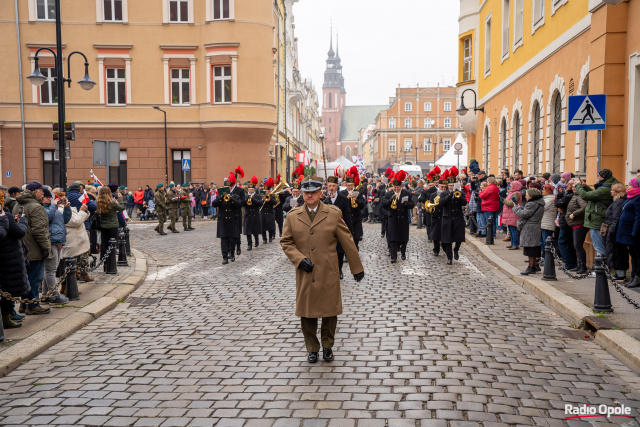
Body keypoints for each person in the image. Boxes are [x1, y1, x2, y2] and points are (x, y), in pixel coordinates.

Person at [280, 175, 364, 363]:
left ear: (320, 193)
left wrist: (356, 268)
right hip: (305, 271)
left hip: (328, 269)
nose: (310, 196)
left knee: (329, 311)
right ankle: (312, 348)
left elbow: (347, 240)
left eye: (314, 192)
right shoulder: (293, 216)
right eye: (306, 192)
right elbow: (286, 241)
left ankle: (327, 347)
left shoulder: (333, 213)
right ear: (302, 193)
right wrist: (298, 259)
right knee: (306, 312)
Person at [13, 181, 51, 315]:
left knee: (26, 278)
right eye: (41, 191)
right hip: (34, 248)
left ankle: (25, 303)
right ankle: (33, 305)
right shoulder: (36, 207)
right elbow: (39, 230)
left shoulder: (19, 203)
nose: (43, 194)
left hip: (21, 247)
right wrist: (46, 247)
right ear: (35, 192)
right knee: (35, 278)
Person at [574, 168, 619, 257]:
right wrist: (585, 187)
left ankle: (601, 268)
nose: (597, 178)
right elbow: (595, 194)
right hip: (598, 220)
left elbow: (585, 195)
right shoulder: (607, 186)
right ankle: (601, 267)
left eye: (598, 176)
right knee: (600, 246)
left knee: (599, 247)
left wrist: (578, 186)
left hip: (597, 221)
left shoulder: (604, 189)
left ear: (602, 177)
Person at [0, 193, 29, 328]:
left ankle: (7, 316)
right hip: (8, 258)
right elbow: (19, 232)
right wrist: (23, 221)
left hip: (6, 257)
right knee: (7, 291)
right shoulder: (5, 216)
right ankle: (6, 318)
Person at [42, 188, 72, 304]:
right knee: (50, 270)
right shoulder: (43, 208)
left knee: (50, 270)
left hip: (58, 239)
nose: (49, 199)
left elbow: (65, 220)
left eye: (50, 197)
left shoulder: (53, 208)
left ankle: (45, 295)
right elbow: (47, 218)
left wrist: (67, 208)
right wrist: (54, 206)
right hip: (51, 240)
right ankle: (54, 296)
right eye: (47, 197)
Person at [323, 175, 353, 278]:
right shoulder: (324, 199)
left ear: (337, 187)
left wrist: (350, 231)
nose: (331, 188)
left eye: (333, 186)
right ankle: (330, 270)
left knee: (339, 251)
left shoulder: (343, 199)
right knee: (328, 251)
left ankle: (339, 269)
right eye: (329, 186)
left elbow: (347, 215)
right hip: (327, 230)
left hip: (339, 229)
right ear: (327, 186)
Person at [382, 170, 415, 263]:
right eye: (395, 186)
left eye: (398, 187)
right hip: (392, 219)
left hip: (403, 219)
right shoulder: (389, 194)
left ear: (401, 186)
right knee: (392, 238)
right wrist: (388, 213)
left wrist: (407, 204)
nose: (396, 188)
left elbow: (412, 204)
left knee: (404, 238)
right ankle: (393, 256)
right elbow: (382, 206)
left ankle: (403, 252)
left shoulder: (406, 193)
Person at [67, 182, 97, 281]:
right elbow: (93, 207)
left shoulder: (66, 197)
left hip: (69, 226)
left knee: (73, 250)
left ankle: (74, 271)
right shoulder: (81, 197)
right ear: (80, 189)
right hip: (82, 225)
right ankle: (84, 273)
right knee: (84, 250)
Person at [513, 187, 546, 275]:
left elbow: (524, 214)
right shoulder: (539, 203)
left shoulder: (532, 204)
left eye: (527, 195)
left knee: (530, 247)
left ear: (531, 196)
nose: (525, 197)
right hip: (535, 226)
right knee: (534, 246)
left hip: (530, 228)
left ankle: (531, 267)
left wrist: (516, 208)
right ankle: (535, 265)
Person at [211, 174, 243, 264]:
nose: (226, 189)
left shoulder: (235, 196)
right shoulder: (220, 196)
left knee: (232, 239)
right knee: (224, 240)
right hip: (223, 221)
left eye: (228, 187)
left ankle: (232, 254)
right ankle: (224, 257)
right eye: (225, 187)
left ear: (231, 187)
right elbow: (214, 204)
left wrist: (231, 198)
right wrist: (221, 198)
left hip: (232, 220)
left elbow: (239, 205)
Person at [616, 178, 640, 288]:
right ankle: (634, 276)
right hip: (626, 231)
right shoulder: (630, 197)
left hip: (633, 233)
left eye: (630, 184)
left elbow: (638, 216)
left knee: (637, 255)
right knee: (633, 255)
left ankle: (637, 277)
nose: (628, 186)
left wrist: (635, 232)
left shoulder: (638, 198)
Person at [439, 168, 467, 265]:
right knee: (447, 240)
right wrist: (451, 195)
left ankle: (456, 249)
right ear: (447, 185)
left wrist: (457, 196)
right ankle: (449, 258)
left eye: (453, 185)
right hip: (447, 218)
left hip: (457, 218)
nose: (451, 187)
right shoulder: (444, 193)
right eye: (450, 185)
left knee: (459, 237)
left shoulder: (460, 193)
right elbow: (442, 203)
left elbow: (464, 202)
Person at [603, 183, 628, 281]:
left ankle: (620, 274)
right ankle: (618, 273)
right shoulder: (617, 201)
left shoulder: (618, 202)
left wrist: (611, 231)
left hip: (615, 232)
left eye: (612, 190)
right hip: (615, 231)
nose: (610, 192)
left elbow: (616, 218)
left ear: (617, 192)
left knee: (617, 252)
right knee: (616, 252)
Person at [96, 186, 125, 268]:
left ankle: (104, 263)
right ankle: (111, 264)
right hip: (112, 226)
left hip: (103, 226)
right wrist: (120, 199)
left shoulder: (99, 202)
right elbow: (121, 208)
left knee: (104, 245)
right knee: (112, 245)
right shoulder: (112, 202)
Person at [565, 180, 589, 275]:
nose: (574, 189)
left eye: (576, 187)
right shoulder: (575, 196)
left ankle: (583, 266)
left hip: (580, 224)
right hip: (575, 224)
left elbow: (585, 207)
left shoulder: (580, 197)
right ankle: (580, 265)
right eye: (573, 187)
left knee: (578, 246)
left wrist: (574, 214)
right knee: (576, 246)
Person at [555, 180, 578, 270]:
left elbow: (557, 203)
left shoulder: (569, 196)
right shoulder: (568, 194)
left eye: (569, 184)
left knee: (563, 242)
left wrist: (559, 197)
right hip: (565, 220)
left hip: (566, 221)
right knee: (566, 242)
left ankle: (569, 263)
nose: (567, 185)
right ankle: (569, 262)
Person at [340, 171, 366, 250]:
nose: (350, 187)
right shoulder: (342, 193)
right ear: (346, 185)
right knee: (346, 237)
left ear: (354, 185)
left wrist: (356, 200)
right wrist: (346, 198)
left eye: (351, 185)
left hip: (356, 218)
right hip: (346, 219)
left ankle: (355, 249)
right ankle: (347, 254)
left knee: (356, 237)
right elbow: (340, 206)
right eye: (348, 185)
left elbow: (362, 206)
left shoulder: (359, 193)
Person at [427, 173, 446, 256]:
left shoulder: (447, 194)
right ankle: (436, 249)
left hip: (444, 216)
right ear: (439, 186)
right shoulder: (433, 195)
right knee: (435, 234)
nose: (443, 189)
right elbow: (430, 204)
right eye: (442, 187)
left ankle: (445, 247)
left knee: (444, 234)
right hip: (435, 216)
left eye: (445, 187)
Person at [243, 176, 263, 250]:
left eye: (252, 189)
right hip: (248, 215)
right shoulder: (245, 196)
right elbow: (242, 204)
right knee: (248, 231)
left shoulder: (257, 196)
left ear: (254, 189)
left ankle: (256, 240)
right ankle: (249, 244)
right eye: (249, 189)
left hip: (255, 215)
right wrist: (246, 199)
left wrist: (253, 199)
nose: (250, 190)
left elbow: (260, 203)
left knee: (255, 230)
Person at [502, 180, 523, 250]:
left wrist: (503, 200)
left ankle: (515, 244)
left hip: (513, 213)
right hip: (510, 214)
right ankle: (512, 242)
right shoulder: (512, 193)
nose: (510, 187)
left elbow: (512, 203)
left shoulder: (516, 194)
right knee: (511, 229)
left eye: (511, 186)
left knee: (513, 229)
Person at [540, 184, 557, 260]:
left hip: (548, 223)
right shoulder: (545, 198)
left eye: (543, 190)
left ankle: (547, 259)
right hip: (543, 222)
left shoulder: (550, 199)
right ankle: (544, 258)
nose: (542, 191)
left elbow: (542, 208)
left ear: (548, 191)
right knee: (542, 242)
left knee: (546, 242)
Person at [261, 178, 278, 244]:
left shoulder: (272, 196)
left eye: (267, 191)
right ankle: (264, 238)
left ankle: (270, 237)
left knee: (270, 227)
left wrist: (270, 198)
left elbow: (275, 202)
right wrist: (263, 199)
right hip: (263, 213)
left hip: (270, 213)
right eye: (264, 191)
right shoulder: (261, 196)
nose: (265, 192)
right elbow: (259, 203)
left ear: (269, 191)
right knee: (263, 227)